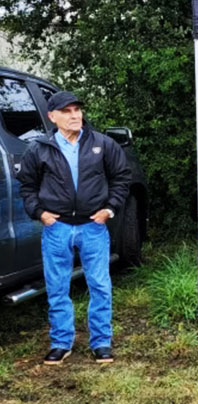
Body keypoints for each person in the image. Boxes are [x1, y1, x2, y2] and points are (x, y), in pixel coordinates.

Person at [17, 91, 130, 365]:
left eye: (77, 109)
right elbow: (27, 186)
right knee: (57, 287)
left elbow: (122, 177)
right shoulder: (39, 149)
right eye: (67, 111)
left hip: (93, 226)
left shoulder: (102, 143)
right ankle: (60, 343)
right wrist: (40, 213)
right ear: (52, 117)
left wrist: (109, 209)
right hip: (57, 228)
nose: (75, 115)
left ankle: (101, 342)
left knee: (100, 285)